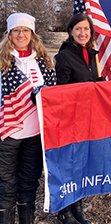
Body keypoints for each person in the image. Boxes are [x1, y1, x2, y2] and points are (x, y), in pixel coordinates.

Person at [0, 13, 56, 224]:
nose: (21, 34)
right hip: (7, 133)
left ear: (32, 34)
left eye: (25, 30)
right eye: (16, 30)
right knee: (6, 184)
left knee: (28, 183)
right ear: (10, 34)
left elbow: (53, 94)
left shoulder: (45, 61)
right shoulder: (2, 60)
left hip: (35, 133)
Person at [53, 13, 103, 224]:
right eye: (78, 29)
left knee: (82, 165)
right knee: (68, 165)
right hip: (69, 119)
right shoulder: (64, 57)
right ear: (71, 32)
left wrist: (99, 84)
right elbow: (61, 92)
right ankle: (63, 211)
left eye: (86, 29)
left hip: (87, 119)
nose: (83, 33)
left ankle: (77, 209)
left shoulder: (91, 54)